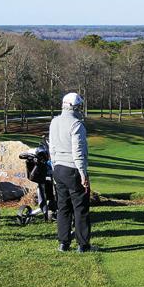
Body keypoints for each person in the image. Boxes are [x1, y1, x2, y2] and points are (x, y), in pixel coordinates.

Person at [49, 92, 93, 252]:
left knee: (63, 207)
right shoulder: (77, 124)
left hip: (58, 168)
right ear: (75, 107)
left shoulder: (54, 122)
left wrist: (54, 167)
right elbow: (78, 152)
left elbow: (51, 148)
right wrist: (83, 174)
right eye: (79, 107)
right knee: (80, 208)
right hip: (73, 169)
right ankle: (83, 245)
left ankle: (63, 243)